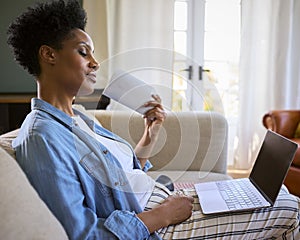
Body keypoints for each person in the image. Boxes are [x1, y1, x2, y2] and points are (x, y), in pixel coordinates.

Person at [7, 1, 300, 239]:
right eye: (83, 52)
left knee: (272, 193)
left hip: (165, 203)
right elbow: (82, 234)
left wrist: (151, 134)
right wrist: (164, 214)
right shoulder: (41, 137)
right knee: (289, 207)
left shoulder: (78, 117)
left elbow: (120, 174)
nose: (95, 62)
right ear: (48, 55)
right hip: (155, 227)